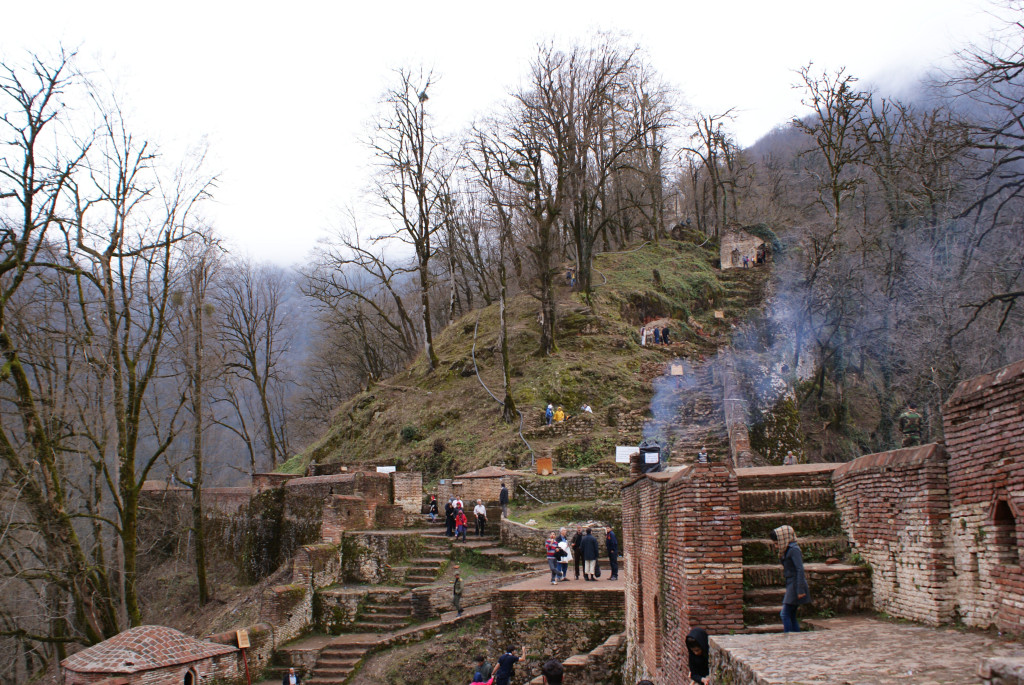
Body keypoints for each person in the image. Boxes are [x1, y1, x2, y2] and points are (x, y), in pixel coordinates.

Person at [770, 524, 810, 632]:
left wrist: (800, 589)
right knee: (791, 614)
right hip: (791, 583)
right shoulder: (787, 549)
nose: (777, 546)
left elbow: (799, 569)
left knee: (785, 613)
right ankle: (796, 637)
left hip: (795, 584)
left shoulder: (794, 550)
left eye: (777, 543)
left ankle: (789, 636)